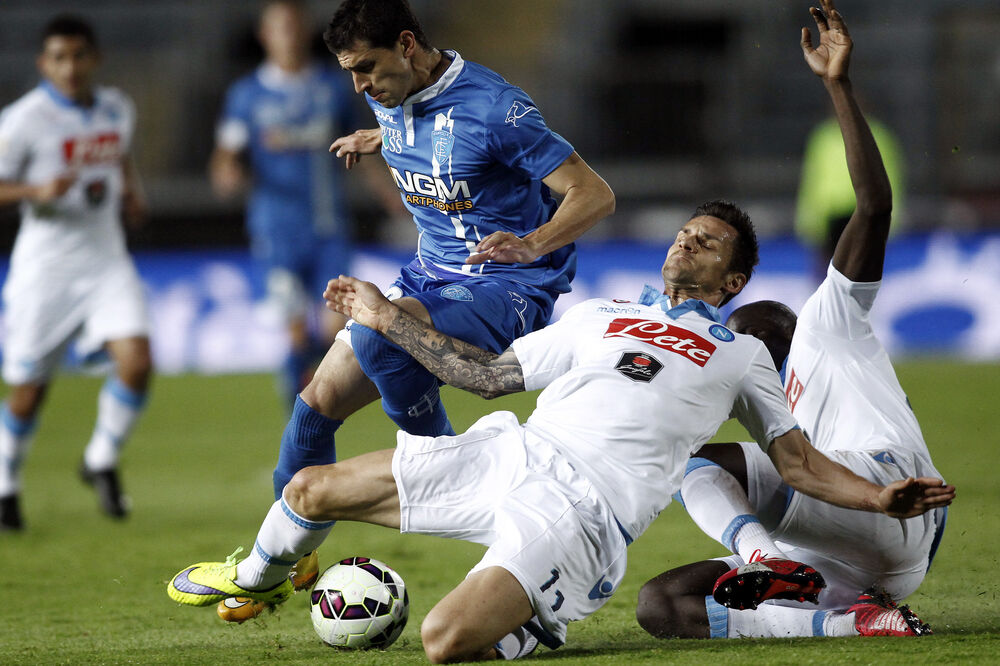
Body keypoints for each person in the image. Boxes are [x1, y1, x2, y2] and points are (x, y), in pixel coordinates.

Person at [168, 198, 954, 662]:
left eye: (707, 241)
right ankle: (252, 583)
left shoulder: (741, 353)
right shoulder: (601, 316)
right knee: (308, 490)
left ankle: (536, 624)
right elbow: (483, 376)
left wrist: (883, 499)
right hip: (514, 453)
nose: (687, 240)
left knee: (444, 642)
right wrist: (382, 319)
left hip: (583, 515)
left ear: (735, 281)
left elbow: (801, 464)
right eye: (686, 231)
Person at [213, 0, 617, 623]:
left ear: (408, 45)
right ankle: (274, 574)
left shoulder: (497, 109)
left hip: (502, 285)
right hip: (428, 275)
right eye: (349, 72)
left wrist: (533, 243)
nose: (359, 86)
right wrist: (382, 136)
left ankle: (444, 466)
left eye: (367, 68)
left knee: (379, 334)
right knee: (316, 401)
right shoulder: (389, 95)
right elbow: (422, 128)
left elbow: (595, 192)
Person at [635, 0, 948, 640]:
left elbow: (873, 206)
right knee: (662, 604)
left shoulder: (829, 323)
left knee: (698, 460)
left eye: (744, 337)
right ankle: (852, 622)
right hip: (854, 557)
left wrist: (838, 86)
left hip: (889, 487)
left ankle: (765, 560)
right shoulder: (767, 409)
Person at [0, 15, 153, 529]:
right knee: (29, 389)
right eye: (58, 58)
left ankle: (100, 460)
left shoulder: (116, 107)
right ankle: (6, 483)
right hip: (46, 271)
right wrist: (32, 192)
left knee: (137, 360)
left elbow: (118, 155)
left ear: (94, 58)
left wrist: (130, 190)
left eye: (78, 55)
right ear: (44, 63)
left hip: (106, 260)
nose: (70, 67)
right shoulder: (24, 120)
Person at [210, 0, 361, 407]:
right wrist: (228, 172)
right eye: (280, 28)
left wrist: (393, 197)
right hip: (276, 228)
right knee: (294, 327)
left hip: (329, 223)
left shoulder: (332, 87)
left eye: (295, 27)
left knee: (334, 327)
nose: (289, 36)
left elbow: (360, 148)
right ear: (265, 35)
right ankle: (299, 416)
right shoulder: (247, 96)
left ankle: (303, 379)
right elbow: (226, 156)